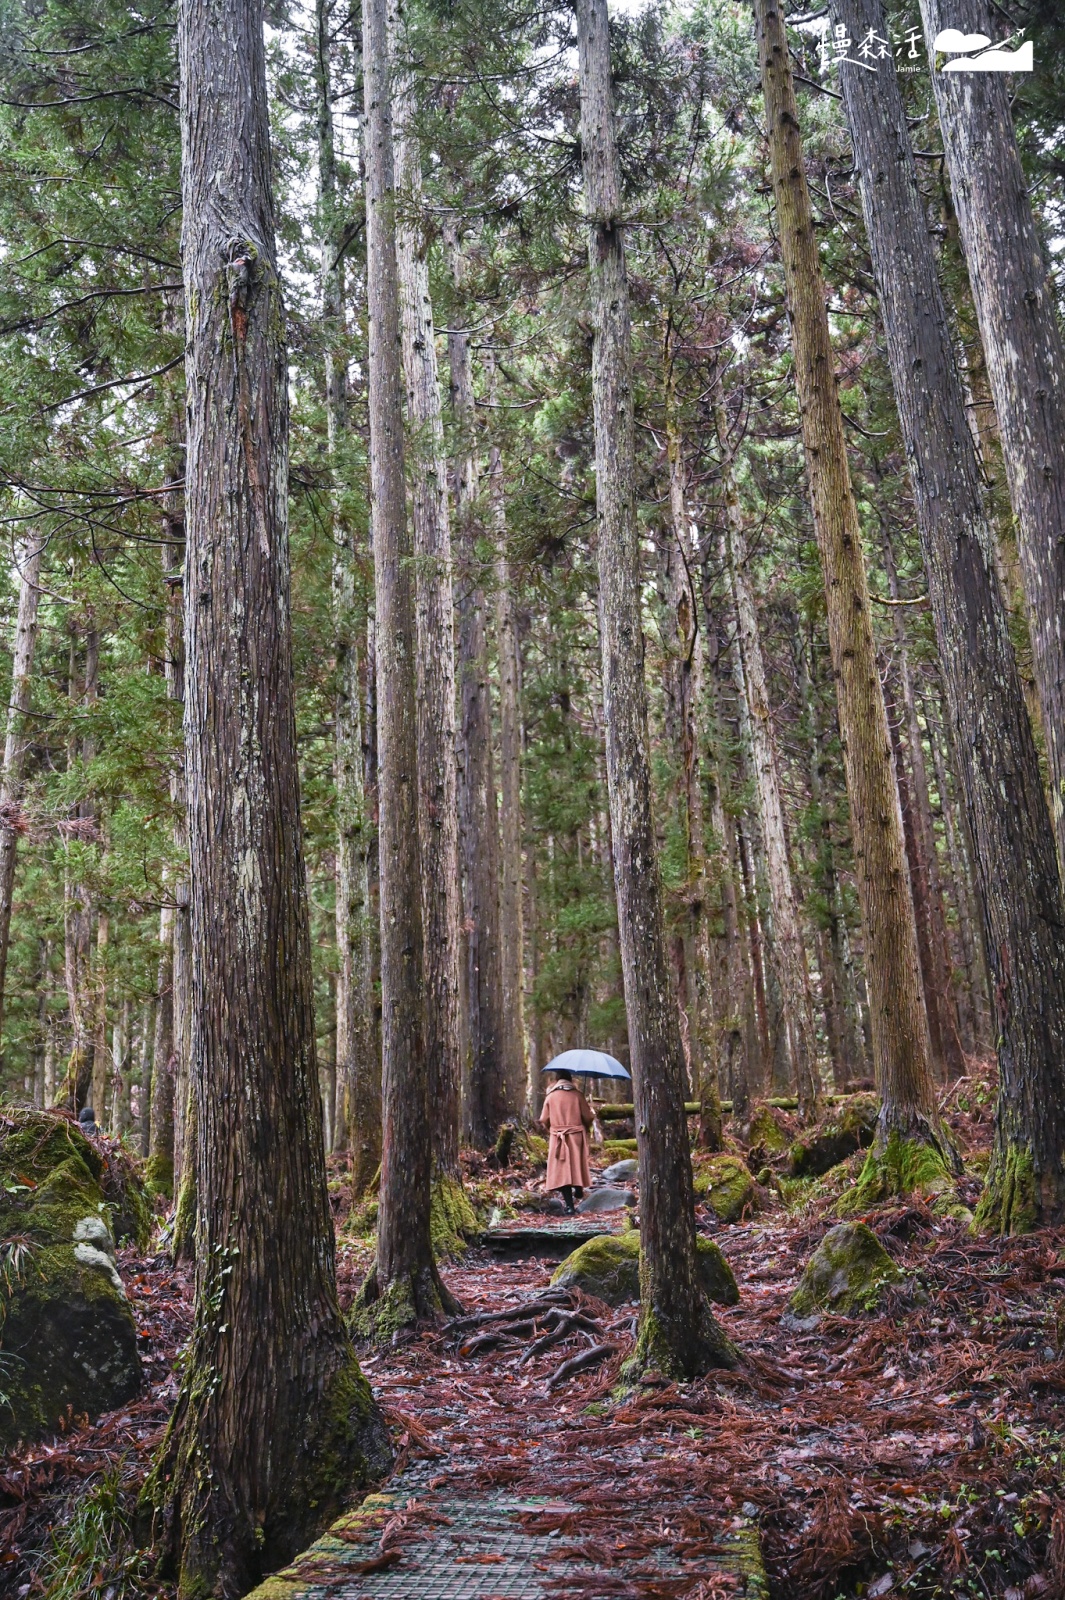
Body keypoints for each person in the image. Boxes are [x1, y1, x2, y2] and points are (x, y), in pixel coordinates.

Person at [538, 1069, 594, 1215]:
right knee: (576, 1165)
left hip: (557, 1137)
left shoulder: (550, 1096)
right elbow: (588, 1117)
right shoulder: (578, 1095)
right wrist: (586, 1123)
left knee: (563, 1171)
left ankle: (569, 1206)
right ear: (570, 1080)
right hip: (576, 1136)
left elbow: (543, 1119)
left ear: (557, 1080)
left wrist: (552, 1127)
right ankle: (579, 1188)